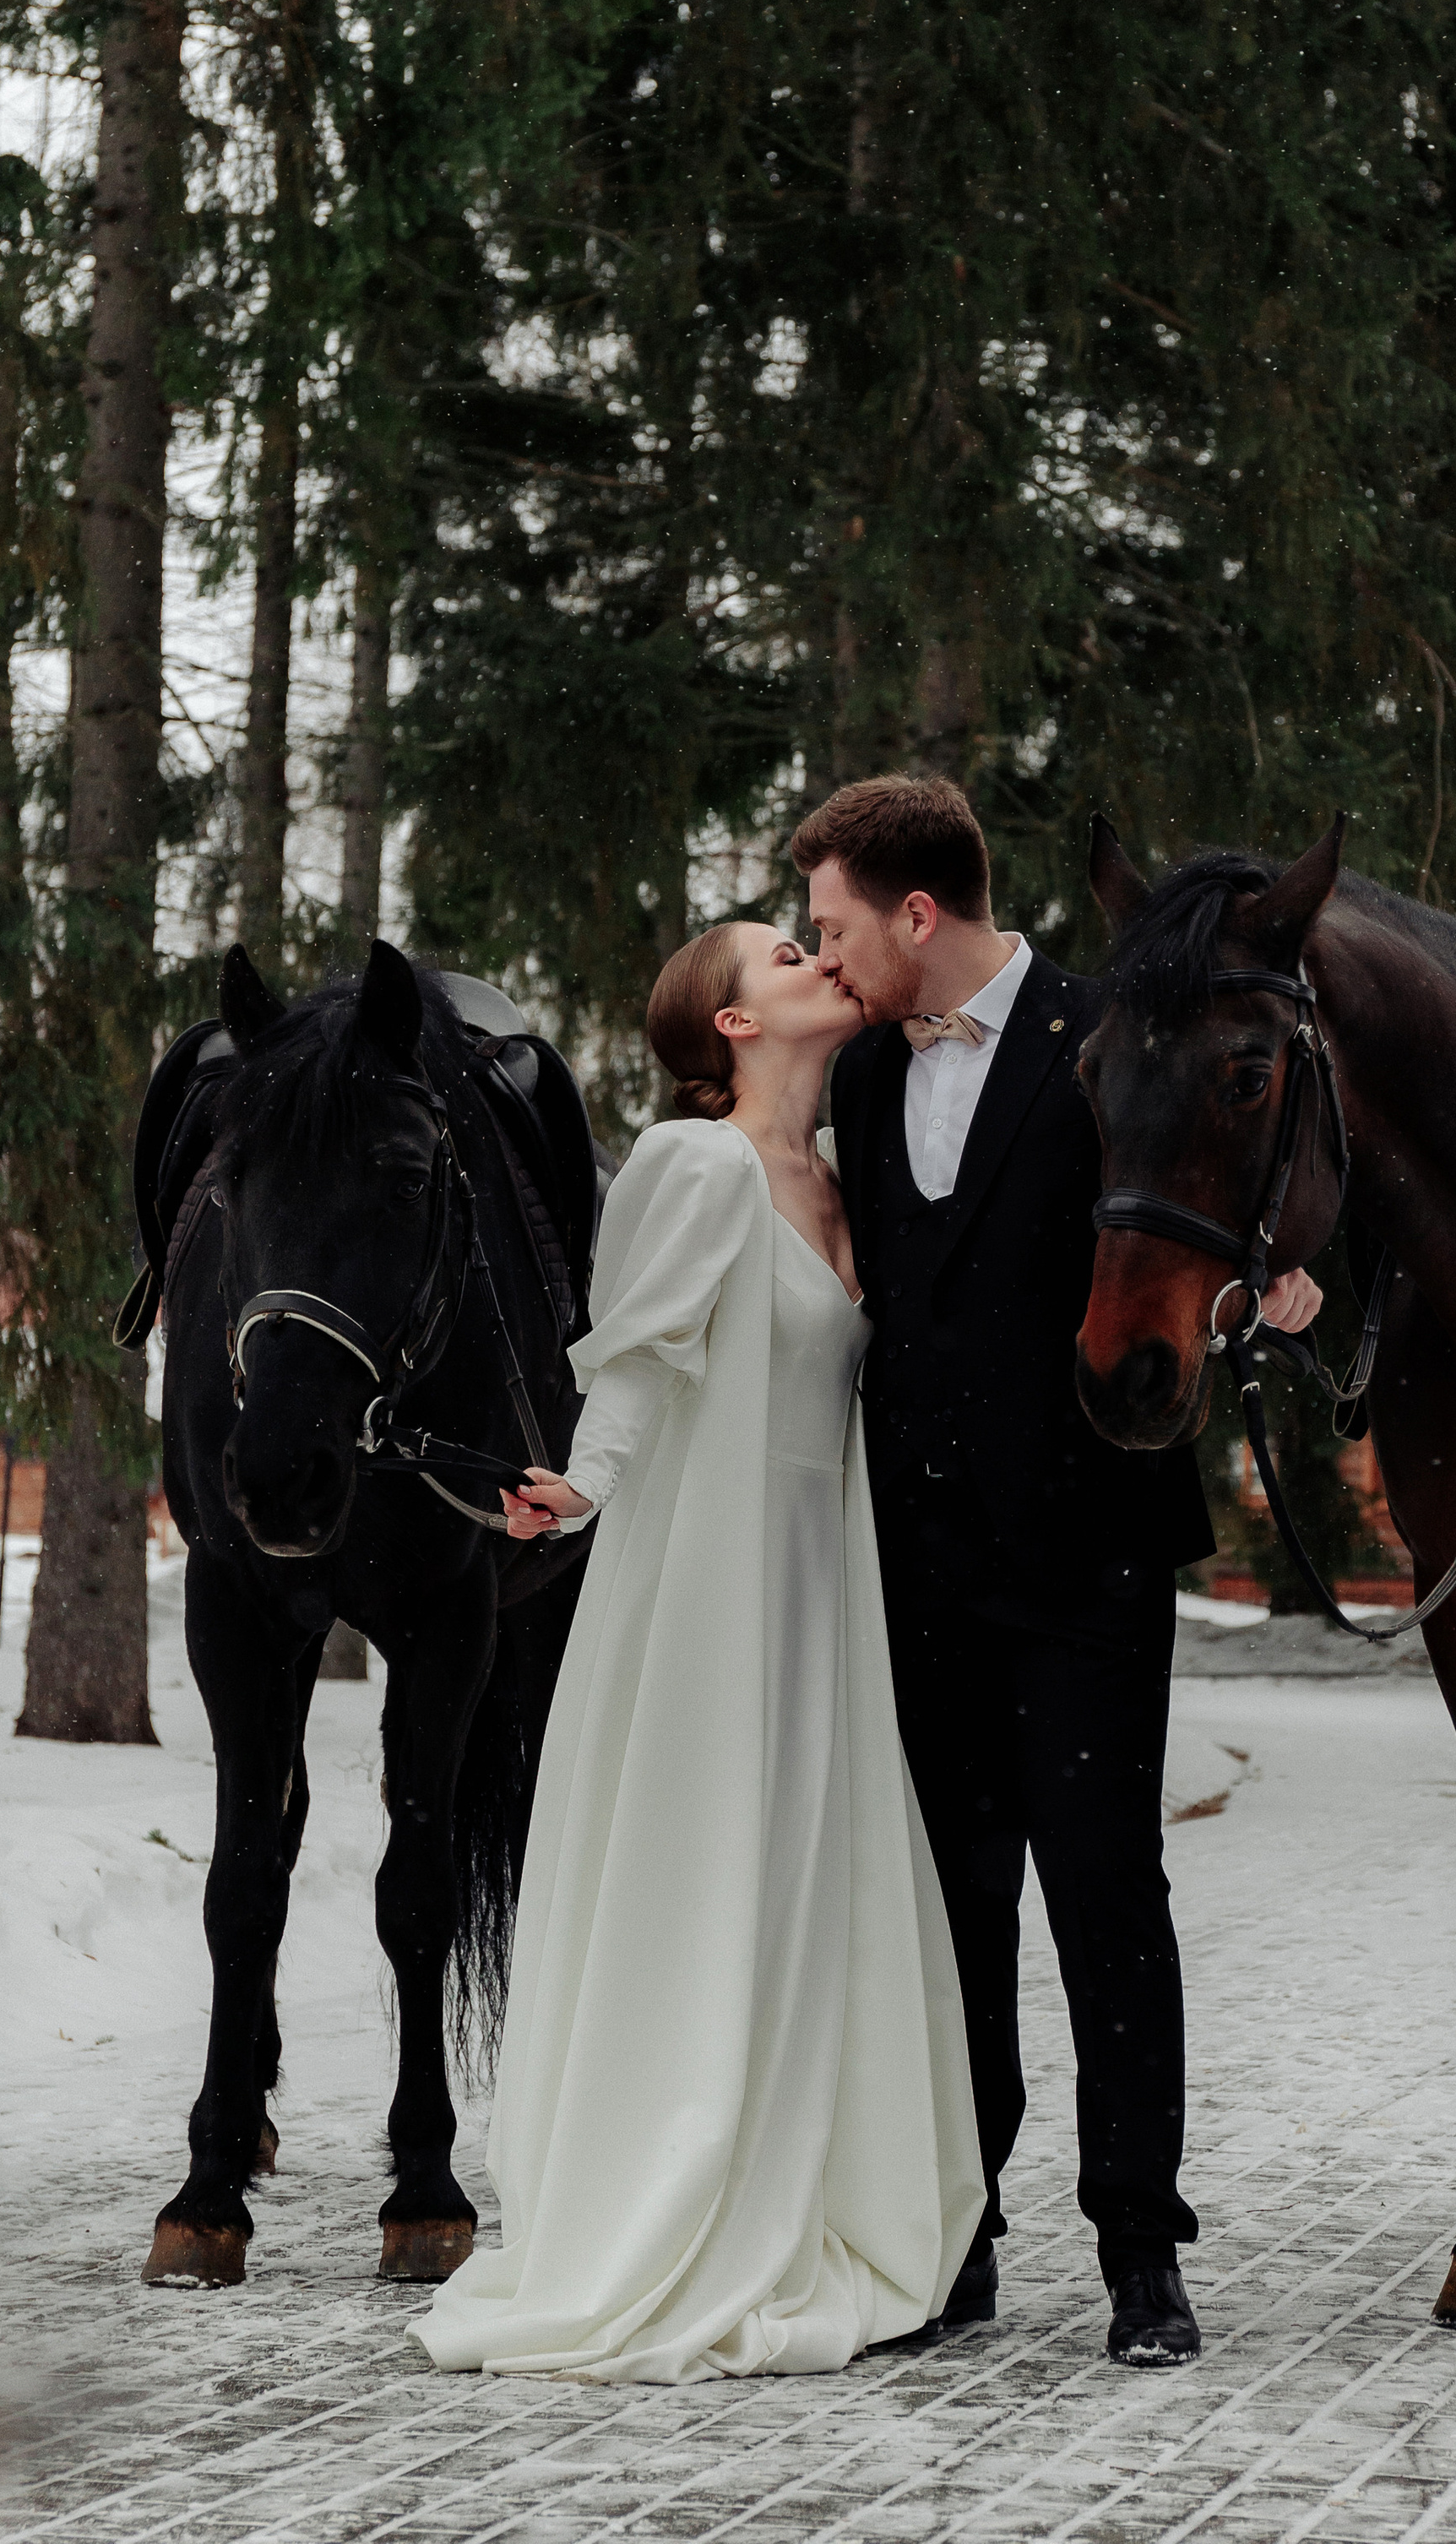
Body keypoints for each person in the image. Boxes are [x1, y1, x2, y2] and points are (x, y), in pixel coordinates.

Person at [793, 776, 1321, 2370]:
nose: (827, 958)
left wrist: (1277, 1285)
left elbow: (1213, 1192)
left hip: (1087, 1549)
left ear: (919, 913)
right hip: (918, 1565)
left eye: (835, 926)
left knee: (1107, 1905)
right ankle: (956, 2240)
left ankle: (1141, 2252)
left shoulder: (1112, 1029)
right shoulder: (863, 1071)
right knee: (952, 1917)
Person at [410, 920, 983, 2384]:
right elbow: (638, 1356)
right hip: (706, 1584)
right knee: (706, 1876)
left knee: (806, 1885)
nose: (820, 958)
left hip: (822, 1586)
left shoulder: (845, 1177)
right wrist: (584, 1486)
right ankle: (669, 2197)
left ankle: (804, 2193)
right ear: (730, 1024)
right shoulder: (695, 1164)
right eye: (786, 953)